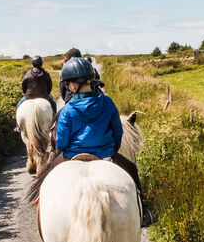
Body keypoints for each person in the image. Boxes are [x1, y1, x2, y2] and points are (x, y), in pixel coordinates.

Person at [50, 57, 155, 227]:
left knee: (49, 178)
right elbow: (118, 131)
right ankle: (143, 213)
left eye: (68, 84)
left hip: (73, 156)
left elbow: (61, 143)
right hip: (105, 155)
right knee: (132, 170)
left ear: (74, 85)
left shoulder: (68, 110)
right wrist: (112, 148)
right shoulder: (107, 102)